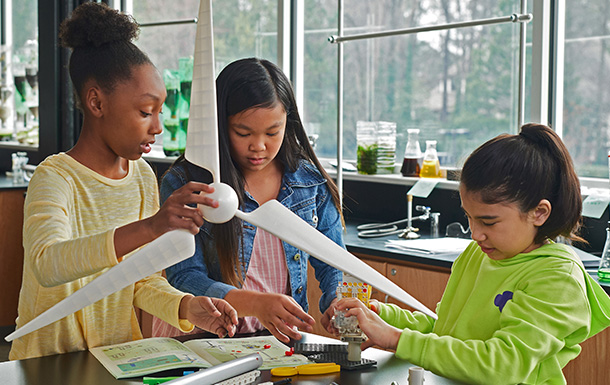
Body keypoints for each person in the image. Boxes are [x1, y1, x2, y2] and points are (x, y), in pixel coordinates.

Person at [9, 3, 238, 361]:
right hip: (46, 365)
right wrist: (151, 227)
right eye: (145, 112)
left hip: (113, 364)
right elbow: (47, 263)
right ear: (97, 102)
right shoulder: (55, 177)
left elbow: (141, 280)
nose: (158, 127)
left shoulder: (143, 177)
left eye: (160, 112)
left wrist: (187, 307)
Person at [332, 123, 610, 384]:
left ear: (539, 212)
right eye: (469, 218)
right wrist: (381, 315)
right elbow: (445, 332)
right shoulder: (481, 254)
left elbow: (501, 364)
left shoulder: (557, 279)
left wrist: (395, 338)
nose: (475, 234)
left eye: (488, 222)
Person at [152, 58, 344, 343]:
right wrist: (256, 304)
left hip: (284, 342)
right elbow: (183, 276)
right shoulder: (187, 184)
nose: (259, 146)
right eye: (243, 133)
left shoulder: (309, 181)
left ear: (287, 123)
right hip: (210, 341)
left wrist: (336, 301)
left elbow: (333, 259)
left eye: (272, 132)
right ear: (219, 125)